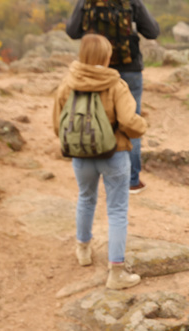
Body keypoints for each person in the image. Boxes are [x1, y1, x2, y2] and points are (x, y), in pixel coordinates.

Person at [53, 34, 147, 290]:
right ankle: (116, 273)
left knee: (85, 198)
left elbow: (57, 123)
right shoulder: (116, 84)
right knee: (116, 210)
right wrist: (142, 127)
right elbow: (129, 121)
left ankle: (83, 249)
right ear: (106, 57)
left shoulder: (67, 84)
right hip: (114, 154)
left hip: (81, 157)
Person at [66, 0, 160, 194]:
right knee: (130, 120)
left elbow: (72, 31)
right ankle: (132, 180)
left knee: (92, 117)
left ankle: (94, 171)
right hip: (129, 69)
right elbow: (152, 31)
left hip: (94, 70)